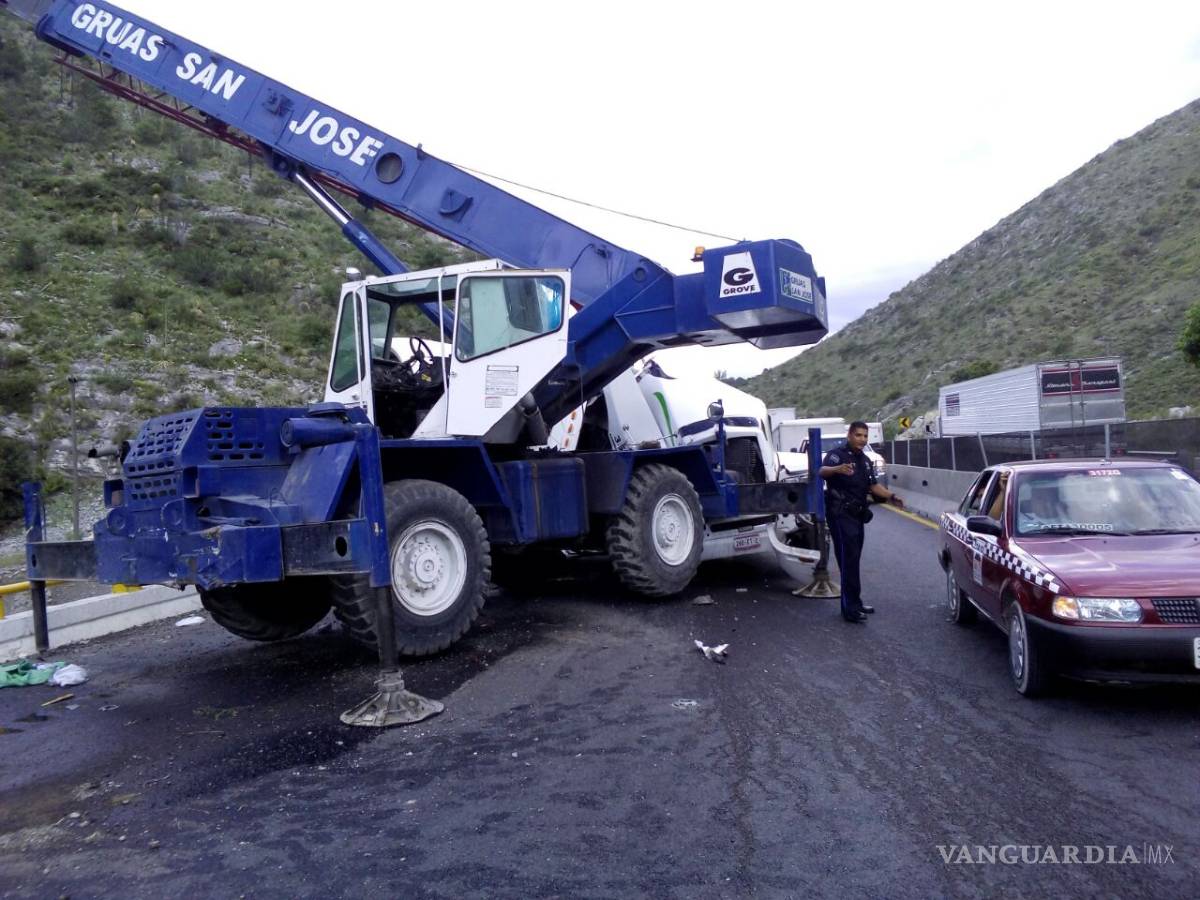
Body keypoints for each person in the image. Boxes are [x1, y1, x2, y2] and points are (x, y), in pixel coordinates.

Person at [819, 421, 904, 623]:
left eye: (865, 436)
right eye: (858, 435)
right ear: (849, 435)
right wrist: (837, 469)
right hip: (840, 515)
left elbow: (873, 486)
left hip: (857, 516)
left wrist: (892, 496)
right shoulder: (836, 455)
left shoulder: (865, 460)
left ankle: (855, 602)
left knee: (854, 560)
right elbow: (821, 471)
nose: (862, 439)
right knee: (847, 561)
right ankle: (849, 609)